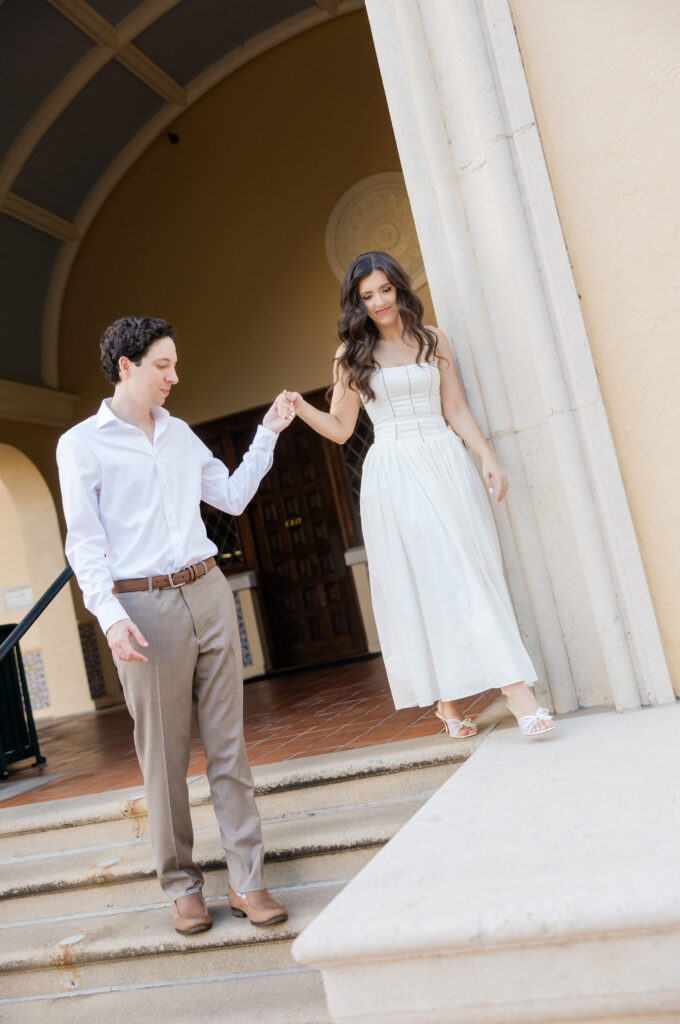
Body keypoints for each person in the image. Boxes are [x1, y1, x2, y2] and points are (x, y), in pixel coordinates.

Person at [57, 316, 296, 935]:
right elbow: (84, 545)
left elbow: (234, 498)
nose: (174, 376)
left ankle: (248, 880)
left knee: (229, 749)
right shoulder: (82, 444)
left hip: (207, 592)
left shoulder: (182, 434)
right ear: (126, 366)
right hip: (142, 609)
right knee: (163, 759)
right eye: (162, 365)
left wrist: (267, 434)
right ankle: (182, 886)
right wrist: (109, 618)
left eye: (174, 365)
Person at [280, 252, 554, 740]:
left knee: (471, 569)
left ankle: (489, 694)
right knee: (421, 579)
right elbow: (342, 431)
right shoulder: (350, 356)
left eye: (385, 290)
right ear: (356, 304)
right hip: (394, 471)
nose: (379, 302)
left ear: (399, 289)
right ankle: (487, 698)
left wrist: (487, 456)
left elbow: (456, 407)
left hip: (446, 461)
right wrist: (301, 406)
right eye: (367, 296)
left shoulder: (433, 339)